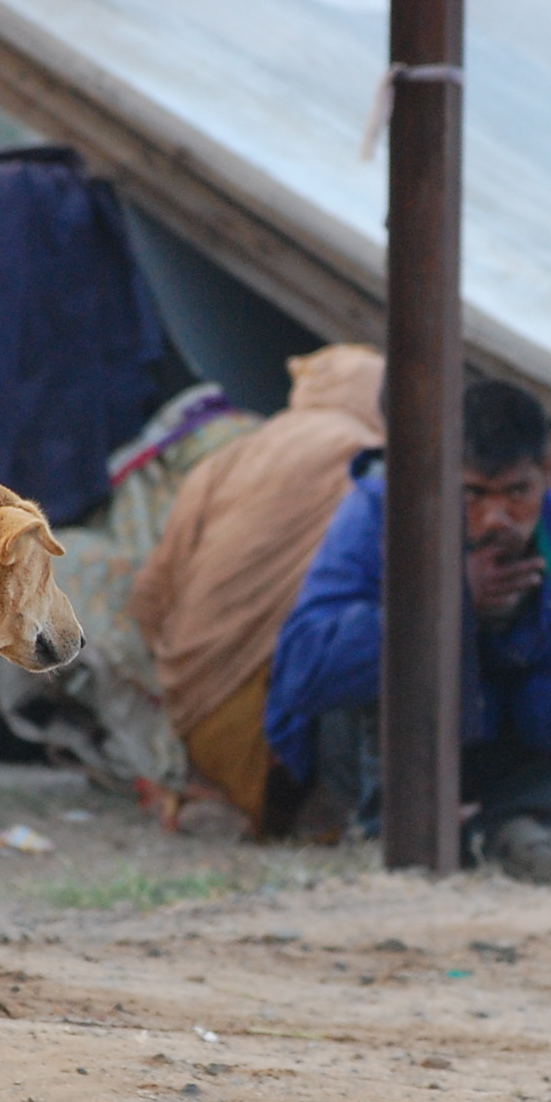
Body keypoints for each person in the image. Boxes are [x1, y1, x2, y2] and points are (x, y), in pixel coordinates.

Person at [267, 379, 551, 879]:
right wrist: (446, 602)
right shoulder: (382, 510)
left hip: (490, 737)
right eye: (472, 494)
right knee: (402, 641)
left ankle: (499, 823)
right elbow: (302, 669)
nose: (496, 519)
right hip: (377, 748)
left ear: (546, 475)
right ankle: (397, 830)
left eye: (517, 492)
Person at [131, 345, 385, 829]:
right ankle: (336, 805)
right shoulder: (364, 458)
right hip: (273, 729)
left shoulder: (231, 456)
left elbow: (149, 599)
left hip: (196, 717)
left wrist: (197, 672)